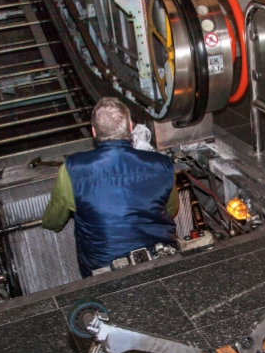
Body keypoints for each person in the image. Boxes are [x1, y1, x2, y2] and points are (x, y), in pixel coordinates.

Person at [41, 97, 178, 277]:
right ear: (130, 127)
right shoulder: (164, 165)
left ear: (93, 132)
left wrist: (49, 223)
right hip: (161, 257)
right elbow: (172, 209)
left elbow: (54, 221)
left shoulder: (72, 169)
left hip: (104, 269)